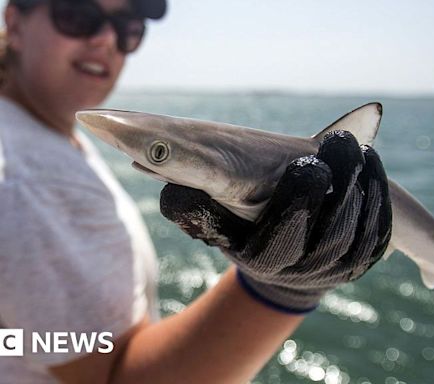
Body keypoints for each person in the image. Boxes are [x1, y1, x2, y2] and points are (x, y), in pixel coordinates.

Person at [0, 1, 392, 383]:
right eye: (77, 15)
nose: (106, 39)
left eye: (128, 28)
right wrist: (281, 288)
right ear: (14, 22)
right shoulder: (29, 181)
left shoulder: (39, 135)